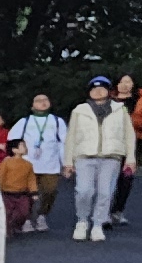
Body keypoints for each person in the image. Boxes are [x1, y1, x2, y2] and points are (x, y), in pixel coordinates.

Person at [72, 80, 133, 242]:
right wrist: (67, 161)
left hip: (111, 156)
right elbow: (71, 136)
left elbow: (129, 134)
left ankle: (98, 224)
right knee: (83, 190)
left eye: (102, 89)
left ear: (108, 91)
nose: (98, 92)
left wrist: (131, 158)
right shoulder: (80, 110)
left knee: (105, 192)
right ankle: (82, 221)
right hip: (84, 155)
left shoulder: (120, 109)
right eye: (94, 89)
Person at [18, 91, 69, 235]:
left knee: (50, 191)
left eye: (45, 99)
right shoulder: (25, 121)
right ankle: (26, 218)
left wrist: (66, 163)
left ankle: (42, 216)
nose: (42, 102)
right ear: (32, 105)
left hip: (50, 164)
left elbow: (63, 143)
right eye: (38, 100)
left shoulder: (57, 122)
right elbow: (14, 141)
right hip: (28, 164)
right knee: (26, 192)